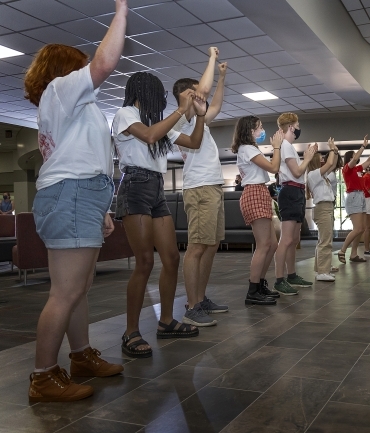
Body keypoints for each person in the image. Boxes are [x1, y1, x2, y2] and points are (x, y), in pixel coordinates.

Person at [23, 0, 128, 402]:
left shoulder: (73, 107)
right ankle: (43, 376)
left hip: (80, 195)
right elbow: (104, 63)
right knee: (65, 291)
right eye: (79, 64)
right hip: (72, 194)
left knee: (77, 286)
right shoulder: (60, 90)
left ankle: (81, 355)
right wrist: (121, 10)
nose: (86, 69)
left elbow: (87, 157)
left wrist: (102, 208)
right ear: (65, 70)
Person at [113, 72, 207, 357]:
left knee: (171, 257)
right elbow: (150, 136)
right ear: (143, 92)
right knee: (144, 261)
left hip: (155, 188)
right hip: (135, 186)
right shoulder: (125, 114)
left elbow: (194, 142)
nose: (161, 99)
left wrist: (199, 115)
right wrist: (181, 109)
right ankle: (130, 331)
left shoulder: (158, 121)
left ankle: (166, 321)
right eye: (158, 93)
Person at [171, 47, 229, 328]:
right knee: (196, 247)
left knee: (211, 244)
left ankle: (201, 298)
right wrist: (211, 59)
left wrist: (222, 78)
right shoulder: (182, 119)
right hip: (199, 189)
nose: (202, 95)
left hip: (213, 187)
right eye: (197, 93)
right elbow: (203, 95)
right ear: (188, 96)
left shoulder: (200, 120)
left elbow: (214, 104)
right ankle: (191, 306)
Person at [233, 116, 284, 305]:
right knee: (264, 245)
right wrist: (277, 147)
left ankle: (260, 284)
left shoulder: (251, 149)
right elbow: (274, 167)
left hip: (260, 191)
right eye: (259, 127)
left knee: (272, 244)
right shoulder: (247, 148)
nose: (262, 131)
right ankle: (253, 290)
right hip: (254, 192)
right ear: (250, 130)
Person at [273, 113, 317, 295]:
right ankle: (279, 280)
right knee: (286, 239)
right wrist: (307, 157)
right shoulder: (285, 145)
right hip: (290, 191)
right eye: (297, 124)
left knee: (294, 240)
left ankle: (291, 275)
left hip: (296, 191)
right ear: (291, 127)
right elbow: (297, 172)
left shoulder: (288, 146)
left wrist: (306, 157)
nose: (299, 128)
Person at [337, 136, 370, 264]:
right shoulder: (347, 169)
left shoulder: (358, 169)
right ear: (349, 158)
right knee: (358, 228)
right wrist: (363, 146)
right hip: (353, 196)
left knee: (362, 227)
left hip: (360, 196)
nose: (357, 156)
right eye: (355, 155)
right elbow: (355, 159)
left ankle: (354, 254)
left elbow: (368, 161)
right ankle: (342, 250)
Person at [307, 139, 339, 281]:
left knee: (323, 239)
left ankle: (320, 268)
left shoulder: (322, 176)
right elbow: (330, 163)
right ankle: (323, 272)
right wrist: (331, 150)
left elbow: (333, 163)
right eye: (320, 159)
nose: (323, 161)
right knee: (326, 241)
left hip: (327, 207)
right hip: (323, 208)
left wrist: (335, 151)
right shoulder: (313, 175)